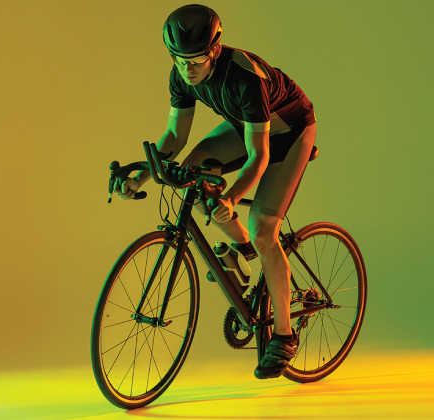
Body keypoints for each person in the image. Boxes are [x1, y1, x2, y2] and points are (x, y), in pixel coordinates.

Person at [115, 4, 317, 380]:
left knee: (263, 229)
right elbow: (175, 138)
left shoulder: (245, 78)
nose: (188, 70)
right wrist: (140, 177)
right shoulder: (181, 75)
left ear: (215, 50)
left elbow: (259, 156)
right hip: (246, 125)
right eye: (179, 61)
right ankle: (243, 251)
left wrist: (232, 197)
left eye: (195, 61)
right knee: (191, 173)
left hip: (289, 132)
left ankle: (285, 335)